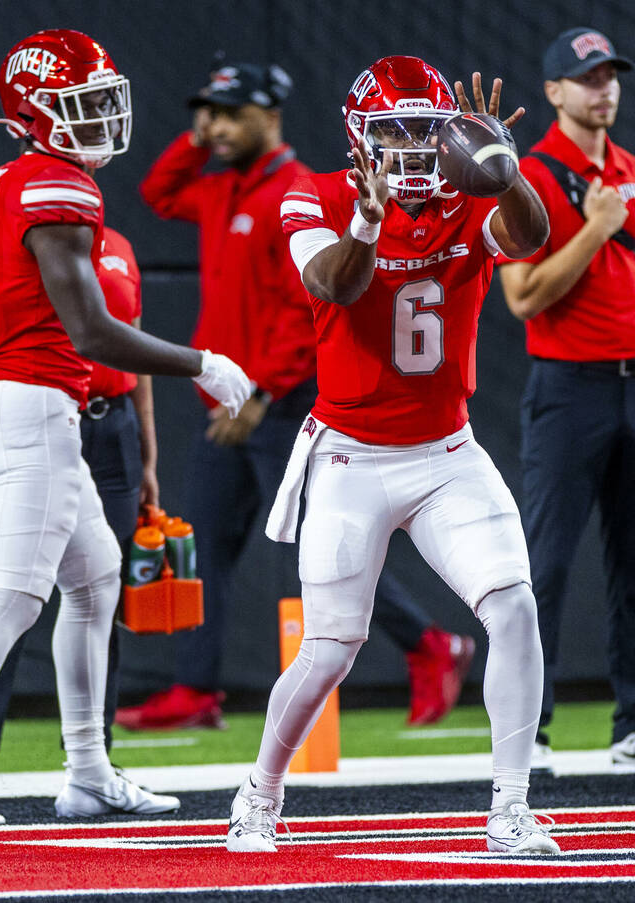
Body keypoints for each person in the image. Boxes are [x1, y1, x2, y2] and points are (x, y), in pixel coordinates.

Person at [0, 28, 251, 825]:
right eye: (83, 105)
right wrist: (203, 364)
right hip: (33, 408)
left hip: (7, 404)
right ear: (35, 114)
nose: (104, 118)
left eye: (106, 100)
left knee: (96, 576)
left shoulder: (3, 184)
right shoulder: (58, 192)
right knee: (14, 595)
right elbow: (91, 331)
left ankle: (86, 769)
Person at [225, 57, 559, 855]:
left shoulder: (465, 191)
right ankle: (259, 791)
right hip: (350, 455)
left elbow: (535, 235)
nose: (410, 148)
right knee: (332, 645)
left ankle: (510, 807)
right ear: (357, 136)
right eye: (391, 131)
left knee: (513, 605)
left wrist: (505, 173)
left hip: (447, 451)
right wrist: (368, 223)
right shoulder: (317, 192)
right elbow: (333, 285)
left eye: (424, 130)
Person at [123, 58, 475, 731]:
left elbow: (303, 313)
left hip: (274, 402)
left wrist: (257, 392)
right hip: (228, 404)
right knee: (205, 544)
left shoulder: (294, 187)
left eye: (231, 114)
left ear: (271, 115)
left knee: (325, 540)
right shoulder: (224, 187)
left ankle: (431, 643)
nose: (218, 127)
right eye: (211, 114)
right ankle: (195, 688)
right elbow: (158, 193)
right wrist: (200, 139)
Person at [0, 227, 158, 803]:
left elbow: (132, 347)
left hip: (110, 428)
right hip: (38, 422)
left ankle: (93, 762)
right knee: (15, 591)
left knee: (100, 592)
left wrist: (148, 455)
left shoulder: (119, 246)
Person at [498, 27, 635, 773]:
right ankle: (531, 731)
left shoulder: (628, 169)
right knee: (542, 564)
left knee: (634, 567)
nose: (603, 89)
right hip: (568, 387)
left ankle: (632, 728)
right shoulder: (530, 176)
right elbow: (522, 298)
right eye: (586, 78)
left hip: (631, 380)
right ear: (554, 91)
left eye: (610, 75)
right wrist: (594, 230)